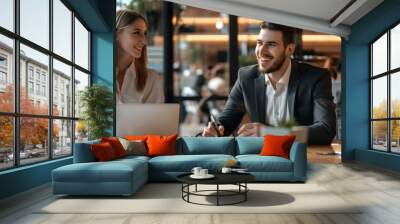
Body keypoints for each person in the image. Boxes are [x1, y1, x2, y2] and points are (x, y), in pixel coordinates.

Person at [202, 22, 336, 145]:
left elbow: (325, 130)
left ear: (289, 49)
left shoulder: (315, 78)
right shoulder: (246, 77)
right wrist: (215, 131)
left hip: (303, 158)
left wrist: (270, 133)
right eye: (259, 43)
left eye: (271, 44)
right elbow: (227, 120)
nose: (261, 51)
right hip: (264, 159)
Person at [116, 10, 164, 103]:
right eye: (136, 32)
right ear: (117, 34)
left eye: (145, 33)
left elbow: (156, 116)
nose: (144, 41)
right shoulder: (98, 74)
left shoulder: (151, 78)